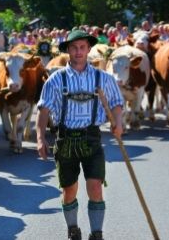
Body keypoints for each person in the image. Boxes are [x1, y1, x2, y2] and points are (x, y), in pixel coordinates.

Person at [36, 30, 124, 240]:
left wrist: (118, 122)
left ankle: (97, 233)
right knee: (69, 190)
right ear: (68, 50)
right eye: (74, 48)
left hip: (92, 138)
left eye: (82, 47)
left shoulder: (102, 78)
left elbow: (116, 103)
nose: (78, 52)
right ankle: (73, 230)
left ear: (88, 49)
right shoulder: (56, 80)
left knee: (95, 187)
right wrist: (40, 138)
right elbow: (43, 110)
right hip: (65, 139)